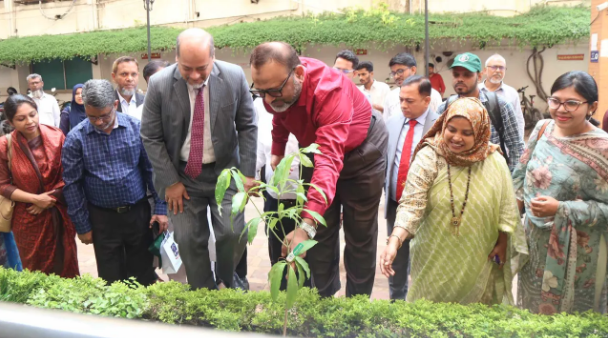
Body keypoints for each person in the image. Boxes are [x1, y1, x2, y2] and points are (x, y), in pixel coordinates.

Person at [249, 42, 388, 298]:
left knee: (359, 236)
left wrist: (305, 226)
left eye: (274, 91)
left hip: (362, 153)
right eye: (261, 92)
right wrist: (278, 149)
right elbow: (279, 114)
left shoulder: (329, 90)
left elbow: (328, 161)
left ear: (299, 74)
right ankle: (323, 303)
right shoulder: (276, 83)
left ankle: (354, 311)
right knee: (319, 237)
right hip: (317, 148)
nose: (268, 100)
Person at [380, 97, 527, 305]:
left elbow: (505, 207)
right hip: (433, 255)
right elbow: (412, 204)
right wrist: (394, 241)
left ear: (480, 132)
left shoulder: (494, 160)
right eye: (451, 129)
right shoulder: (429, 156)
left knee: (475, 319)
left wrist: (503, 241)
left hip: (479, 254)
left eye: (467, 133)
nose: (457, 138)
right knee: (429, 315)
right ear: (442, 124)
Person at [140, 28, 257, 290]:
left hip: (225, 173)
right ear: (176, 59)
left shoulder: (233, 77)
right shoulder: (159, 85)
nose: (194, 76)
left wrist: (248, 173)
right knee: (188, 239)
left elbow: (248, 126)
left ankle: (226, 281)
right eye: (187, 68)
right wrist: (170, 181)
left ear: (213, 58)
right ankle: (202, 290)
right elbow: (150, 136)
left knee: (232, 232)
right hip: (181, 176)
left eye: (201, 68)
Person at [513, 71, 608, 314]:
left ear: (592, 107)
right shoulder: (543, 129)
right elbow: (520, 176)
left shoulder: (602, 148)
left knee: (569, 320)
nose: (560, 109)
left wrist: (562, 208)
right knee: (531, 314)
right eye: (555, 101)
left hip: (577, 254)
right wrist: (509, 227)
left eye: (571, 103)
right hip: (534, 242)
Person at [62, 79, 168, 286]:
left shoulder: (136, 129)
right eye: (92, 117)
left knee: (143, 272)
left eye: (104, 116)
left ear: (115, 105)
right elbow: (72, 185)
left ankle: (143, 315)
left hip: (138, 215)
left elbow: (152, 172)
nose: (99, 122)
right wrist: (82, 226)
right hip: (102, 219)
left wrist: (161, 208)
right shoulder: (76, 139)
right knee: (110, 276)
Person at [0, 95, 79, 278]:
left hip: (59, 211)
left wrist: (50, 198)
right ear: (11, 122)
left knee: (66, 264)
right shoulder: (5, 145)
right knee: (35, 270)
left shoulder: (56, 135)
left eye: (32, 114)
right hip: (28, 217)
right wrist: (36, 199)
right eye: (21, 119)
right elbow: (2, 184)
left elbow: (70, 173)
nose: (29, 121)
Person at [384, 76, 438, 300]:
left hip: (427, 210)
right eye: (401, 100)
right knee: (395, 258)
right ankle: (396, 303)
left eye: (410, 100)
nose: (403, 105)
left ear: (426, 101)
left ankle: (422, 305)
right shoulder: (393, 122)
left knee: (425, 261)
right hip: (396, 204)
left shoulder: (440, 126)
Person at [254, 96, 311, 289]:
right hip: (275, 196)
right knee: (278, 249)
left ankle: (304, 299)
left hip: (307, 199)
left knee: (305, 255)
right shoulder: (260, 107)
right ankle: (280, 297)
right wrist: (253, 175)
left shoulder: (309, 106)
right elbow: (259, 147)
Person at [436, 52, 523, 172]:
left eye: (467, 75)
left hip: (491, 180)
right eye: (456, 74)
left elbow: (516, 147)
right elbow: (437, 146)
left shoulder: (500, 106)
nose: (460, 79)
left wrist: (510, 181)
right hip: (454, 181)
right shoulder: (444, 108)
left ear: (480, 76)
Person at [383, 53, 442, 122]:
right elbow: (387, 124)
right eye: (393, 73)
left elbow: (439, 123)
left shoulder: (432, 95)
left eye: (400, 71)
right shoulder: (390, 97)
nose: (396, 76)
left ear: (413, 70)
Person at [479, 54, 525, 136]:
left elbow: (518, 120)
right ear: (485, 70)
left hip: (504, 145)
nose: (498, 70)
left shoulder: (512, 93)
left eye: (501, 68)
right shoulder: (475, 91)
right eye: (494, 67)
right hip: (479, 144)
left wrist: (519, 144)